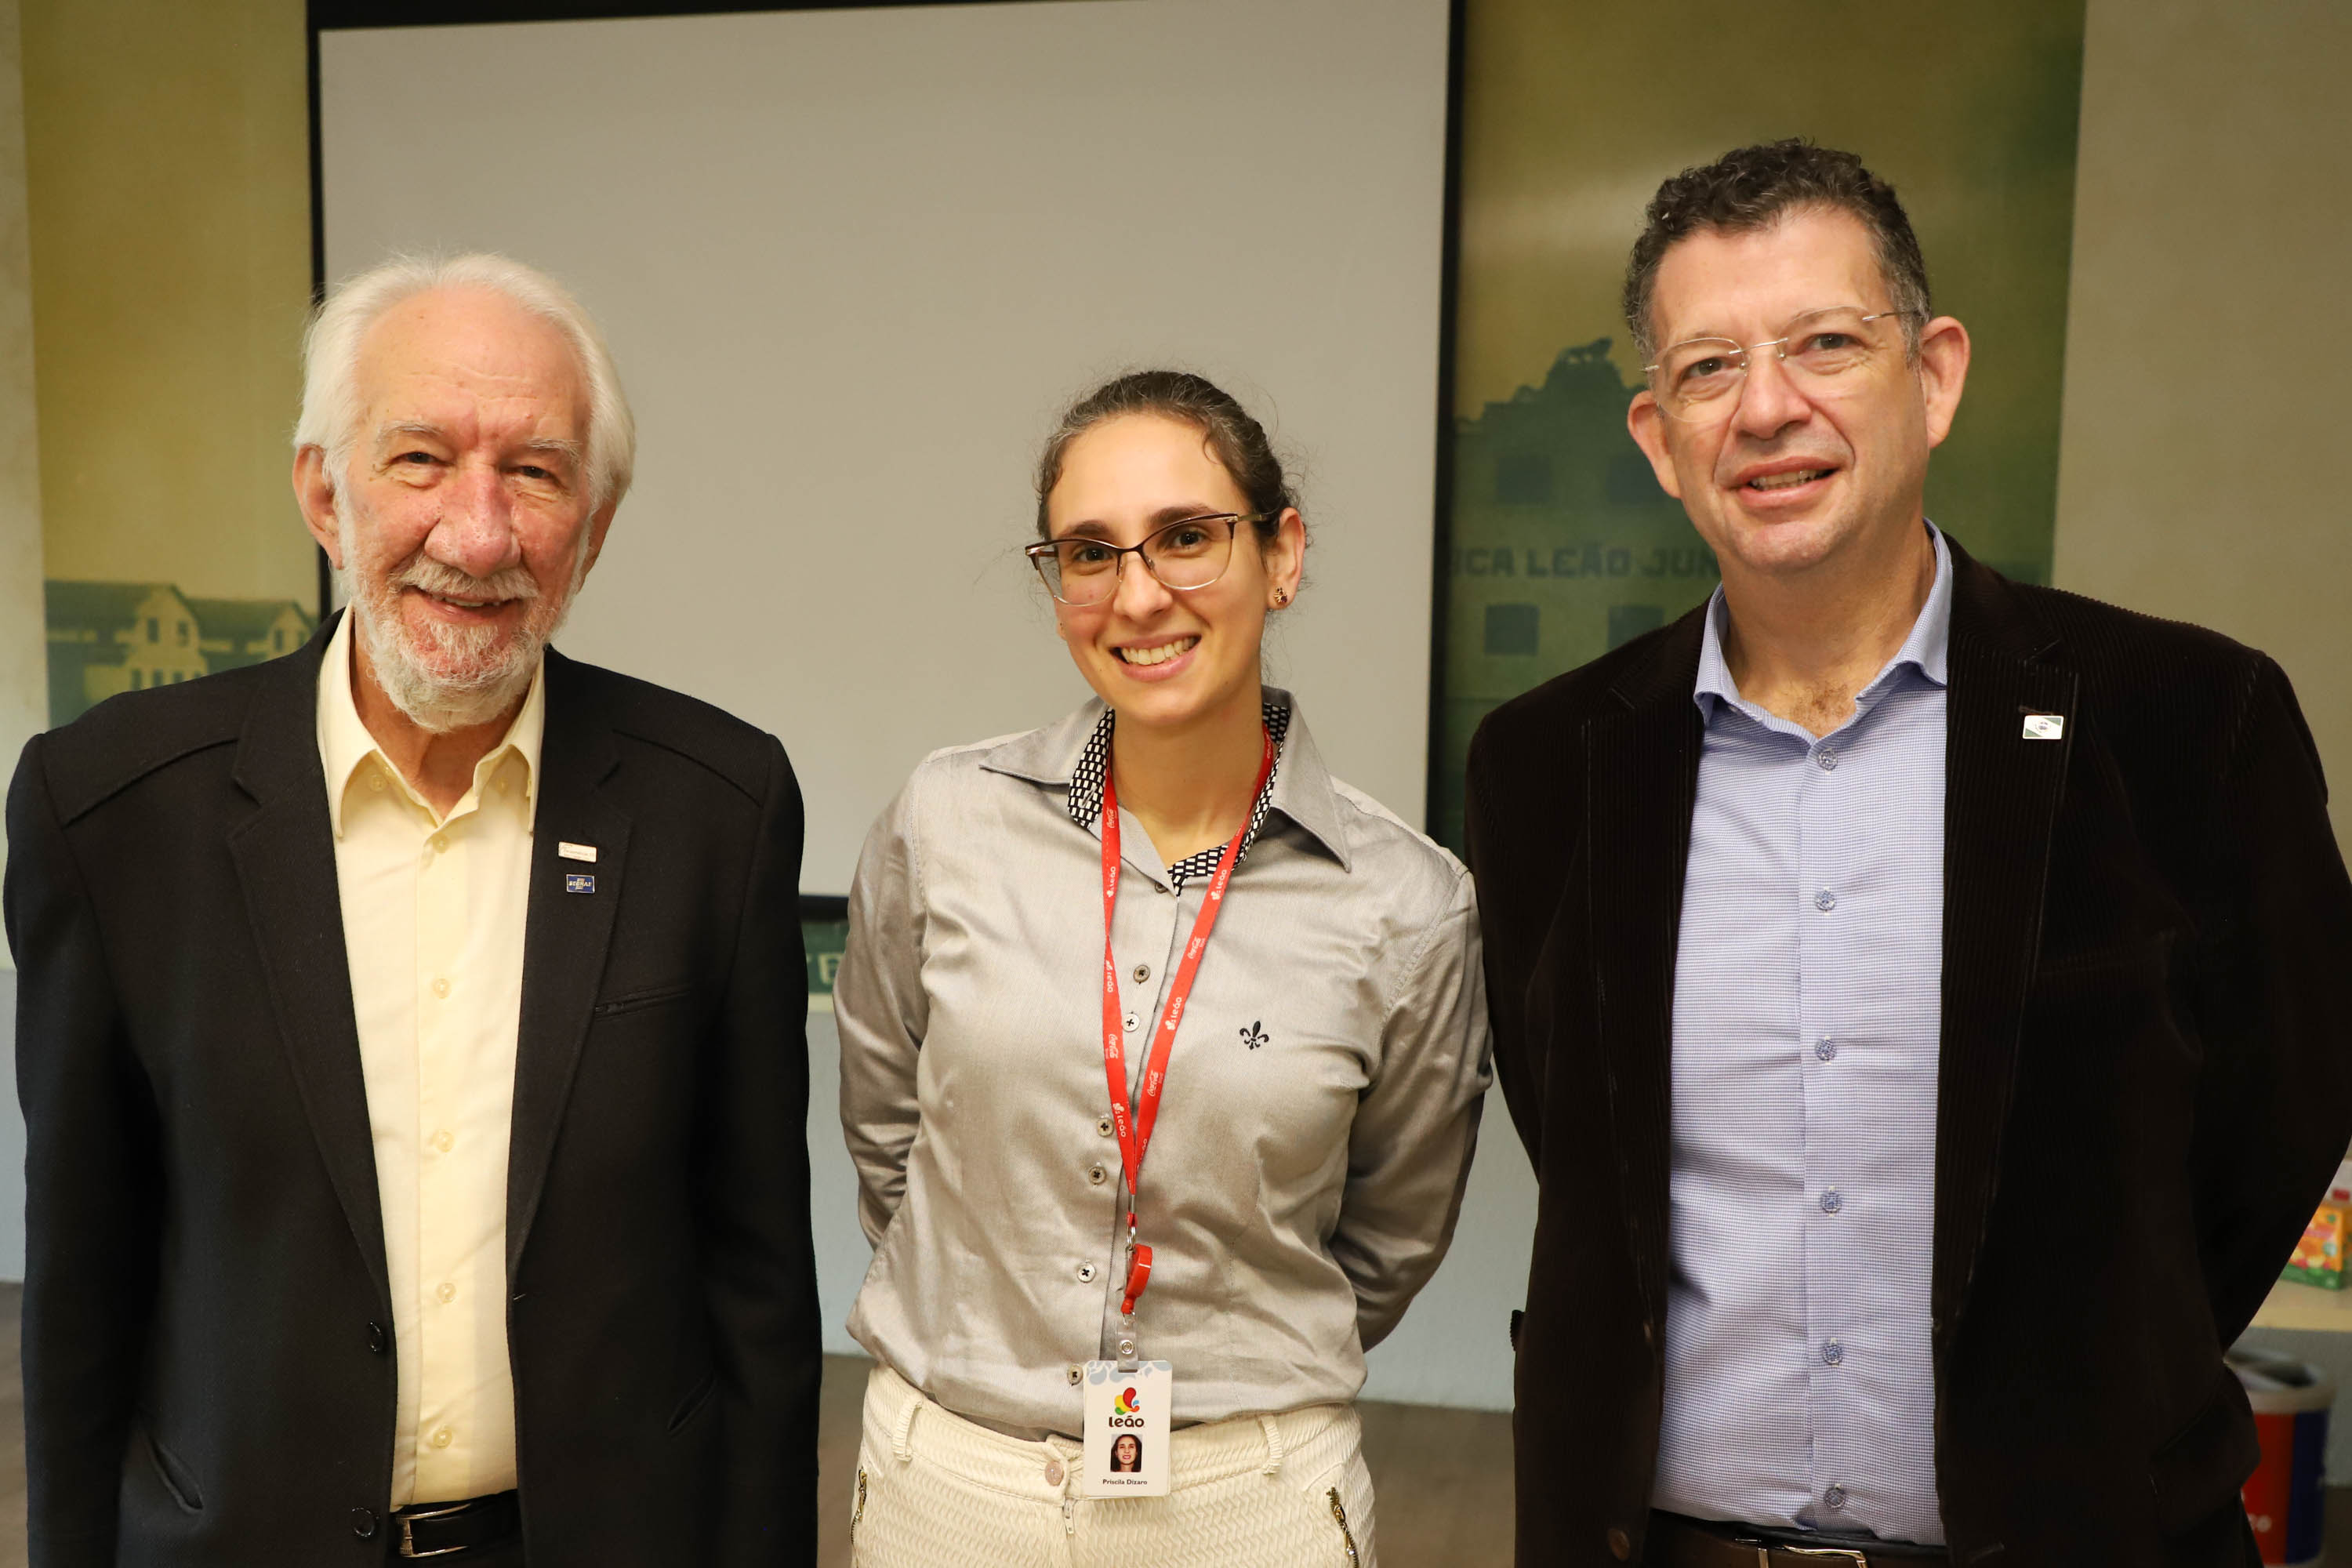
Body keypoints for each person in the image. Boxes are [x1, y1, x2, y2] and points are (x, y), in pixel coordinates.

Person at [1465, 140, 2352, 1567]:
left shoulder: (2190, 724)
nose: (1767, 409)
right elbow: (1581, 1136)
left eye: (1825, 343)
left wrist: (2092, 1382)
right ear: (1654, 437)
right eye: (1708, 369)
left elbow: (2282, 1117)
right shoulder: (1546, 767)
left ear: (1933, 376)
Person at [5, 253, 822, 1566]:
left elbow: (761, 1286)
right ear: (323, 493)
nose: (479, 533)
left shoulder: (713, 810)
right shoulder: (111, 814)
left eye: (537, 473)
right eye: (422, 460)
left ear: (595, 528)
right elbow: (82, 1290)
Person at [835, 370, 1490, 1566]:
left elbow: (1393, 1233)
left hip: (1250, 1504)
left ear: (1282, 555)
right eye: (1091, 553)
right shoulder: (944, 825)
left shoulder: (1410, 905)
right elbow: (886, 1134)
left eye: (1186, 538)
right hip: (954, 1489)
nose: (1138, 597)